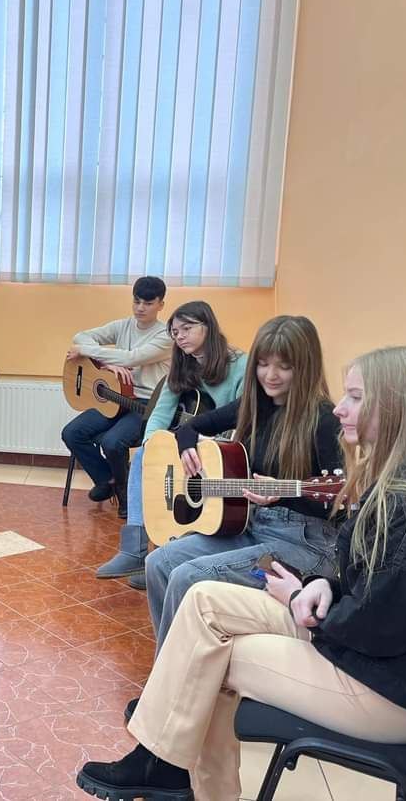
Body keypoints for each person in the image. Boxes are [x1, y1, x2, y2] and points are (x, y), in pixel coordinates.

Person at [76, 345, 406, 801]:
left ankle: (174, 771)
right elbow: (378, 590)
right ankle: (167, 765)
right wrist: (324, 585)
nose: (339, 408)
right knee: (203, 601)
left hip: (390, 692)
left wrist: (302, 601)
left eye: (356, 397)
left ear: (400, 408)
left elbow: (379, 632)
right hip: (379, 660)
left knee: (208, 657)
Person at [144, 315, 343, 648]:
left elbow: (340, 507)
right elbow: (190, 428)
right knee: (158, 562)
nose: (271, 375)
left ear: (305, 367)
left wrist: (282, 496)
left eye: (284, 366)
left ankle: (179, 674)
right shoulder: (255, 405)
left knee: (186, 577)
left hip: (305, 544)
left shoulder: (324, 420)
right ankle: (173, 668)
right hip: (254, 527)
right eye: (263, 364)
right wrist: (186, 446)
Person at [96, 301, 247, 588]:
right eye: (175, 332)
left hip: (224, 449)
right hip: (187, 444)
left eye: (187, 328)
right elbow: (161, 412)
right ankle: (135, 548)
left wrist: (203, 441)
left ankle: (168, 559)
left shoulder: (240, 364)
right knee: (144, 455)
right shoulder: (181, 365)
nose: (180, 336)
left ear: (208, 326)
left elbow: (244, 419)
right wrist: (153, 446)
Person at [61, 276, 172, 517]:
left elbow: (132, 358)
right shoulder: (123, 325)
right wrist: (106, 364)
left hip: (144, 404)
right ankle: (108, 480)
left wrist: (88, 352)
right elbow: (81, 336)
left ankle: (126, 495)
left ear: (161, 305)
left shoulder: (166, 336)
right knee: (71, 433)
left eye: (148, 303)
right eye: (137, 301)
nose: (140, 308)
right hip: (116, 396)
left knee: (112, 442)